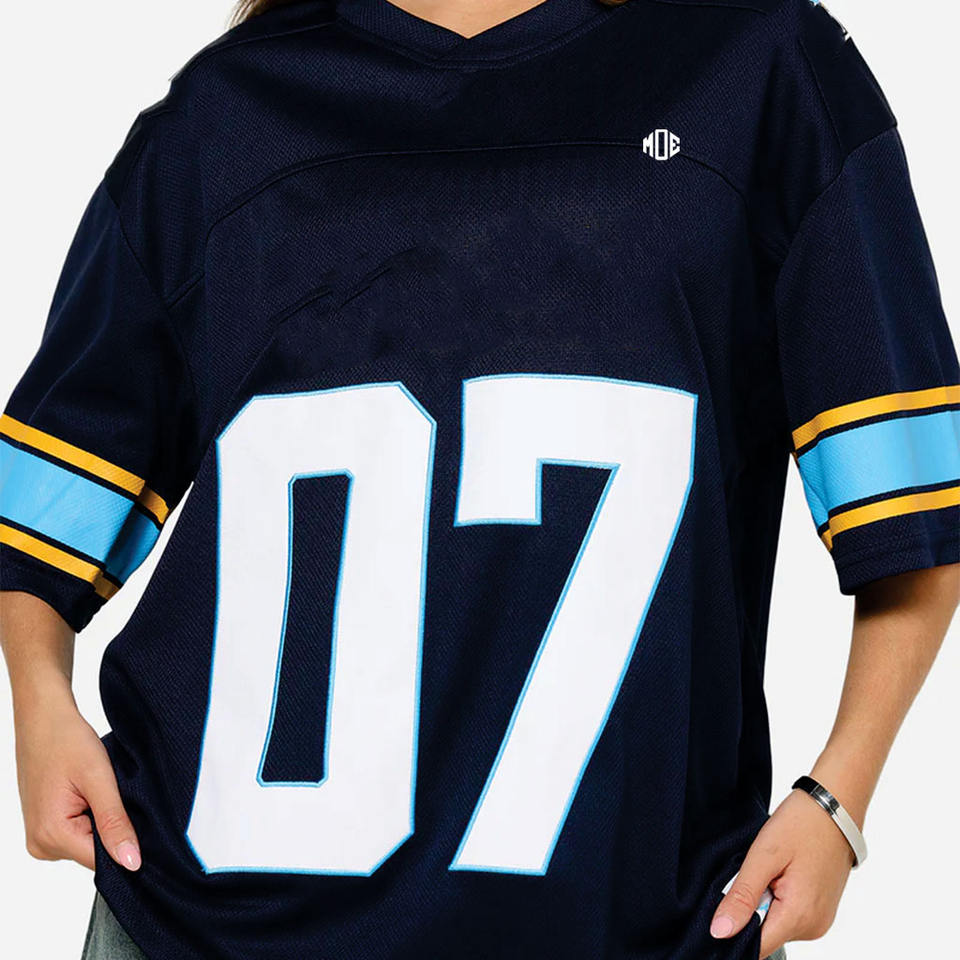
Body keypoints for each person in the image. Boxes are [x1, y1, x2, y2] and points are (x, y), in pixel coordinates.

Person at [1, 0, 957, 958]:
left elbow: (918, 507)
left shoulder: (759, 66)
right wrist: (38, 700)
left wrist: (839, 800)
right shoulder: (229, 108)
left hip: (639, 929)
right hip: (203, 921)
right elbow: (45, 494)